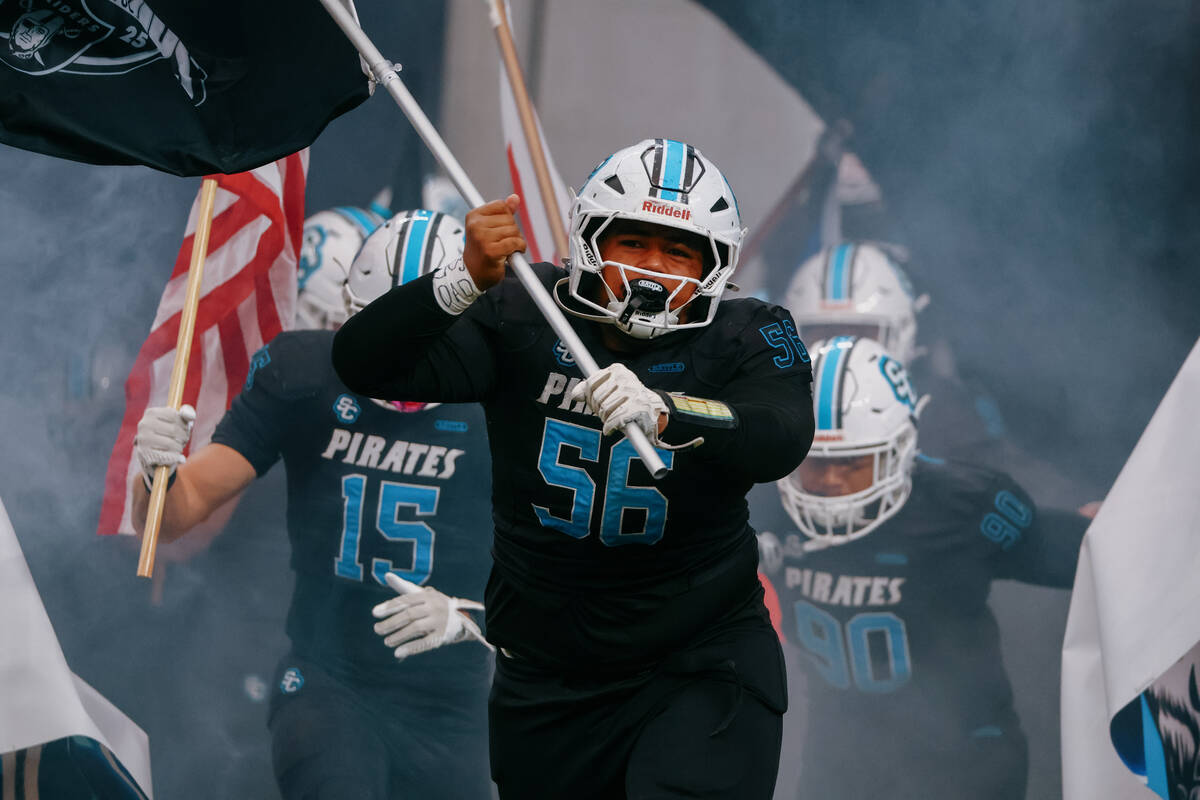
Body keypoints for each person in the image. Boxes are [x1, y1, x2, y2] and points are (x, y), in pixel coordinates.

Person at [331, 138, 816, 799]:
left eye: (679, 251)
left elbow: (781, 436)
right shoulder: (526, 312)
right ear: (590, 241)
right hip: (547, 677)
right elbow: (364, 363)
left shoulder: (749, 333)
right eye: (634, 243)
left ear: (716, 266)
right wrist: (460, 278)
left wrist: (671, 413)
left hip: (697, 660)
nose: (653, 270)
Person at [130, 209, 496, 800]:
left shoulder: (500, 401)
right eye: (384, 332)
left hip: (456, 704)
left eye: (423, 338)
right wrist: (155, 476)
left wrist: (473, 619)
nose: (400, 361)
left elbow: (571, 581)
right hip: (332, 682)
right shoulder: (306, 372)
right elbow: (172, 519)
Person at [753, 336, 1093, 800]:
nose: (830, 481)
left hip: (964, 755)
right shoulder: (763, 503)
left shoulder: (964, 506)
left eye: (852, 463)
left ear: (901, 450)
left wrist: (1116, 531)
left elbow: (1077, 554)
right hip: (840, 751)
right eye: (813, 462)